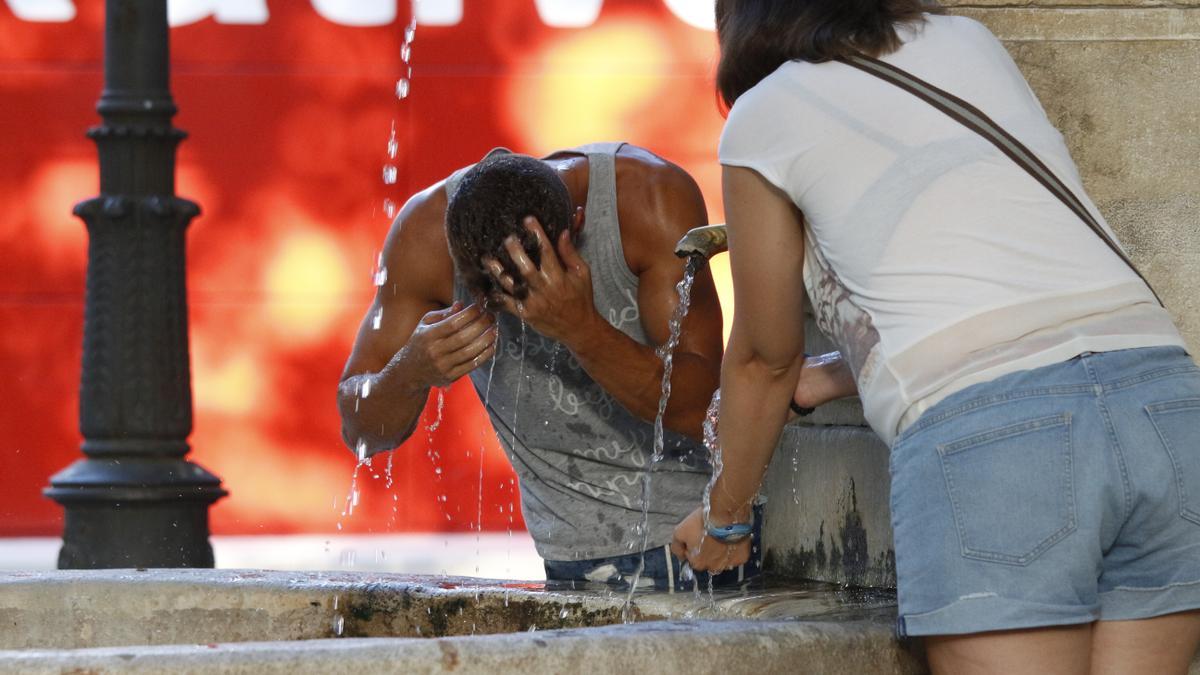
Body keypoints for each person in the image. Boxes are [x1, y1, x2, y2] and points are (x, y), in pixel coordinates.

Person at [672, 1, 1200, 672]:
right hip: (1167, 407)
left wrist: (726, 517)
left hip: (998, 449)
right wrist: (839, 371)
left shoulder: (764, 116)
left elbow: (764, 359)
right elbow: (987, 286)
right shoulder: (963, 38)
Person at [338, 143, 754, 589]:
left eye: (537, 286)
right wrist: (409, 372)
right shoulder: (424, 237)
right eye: (495, 295)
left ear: (576, 225)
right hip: (574, 560)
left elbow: (705, 411)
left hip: (708, 537)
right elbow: (360, 431)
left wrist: (583, 330)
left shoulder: (649, 199)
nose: (520, 310)